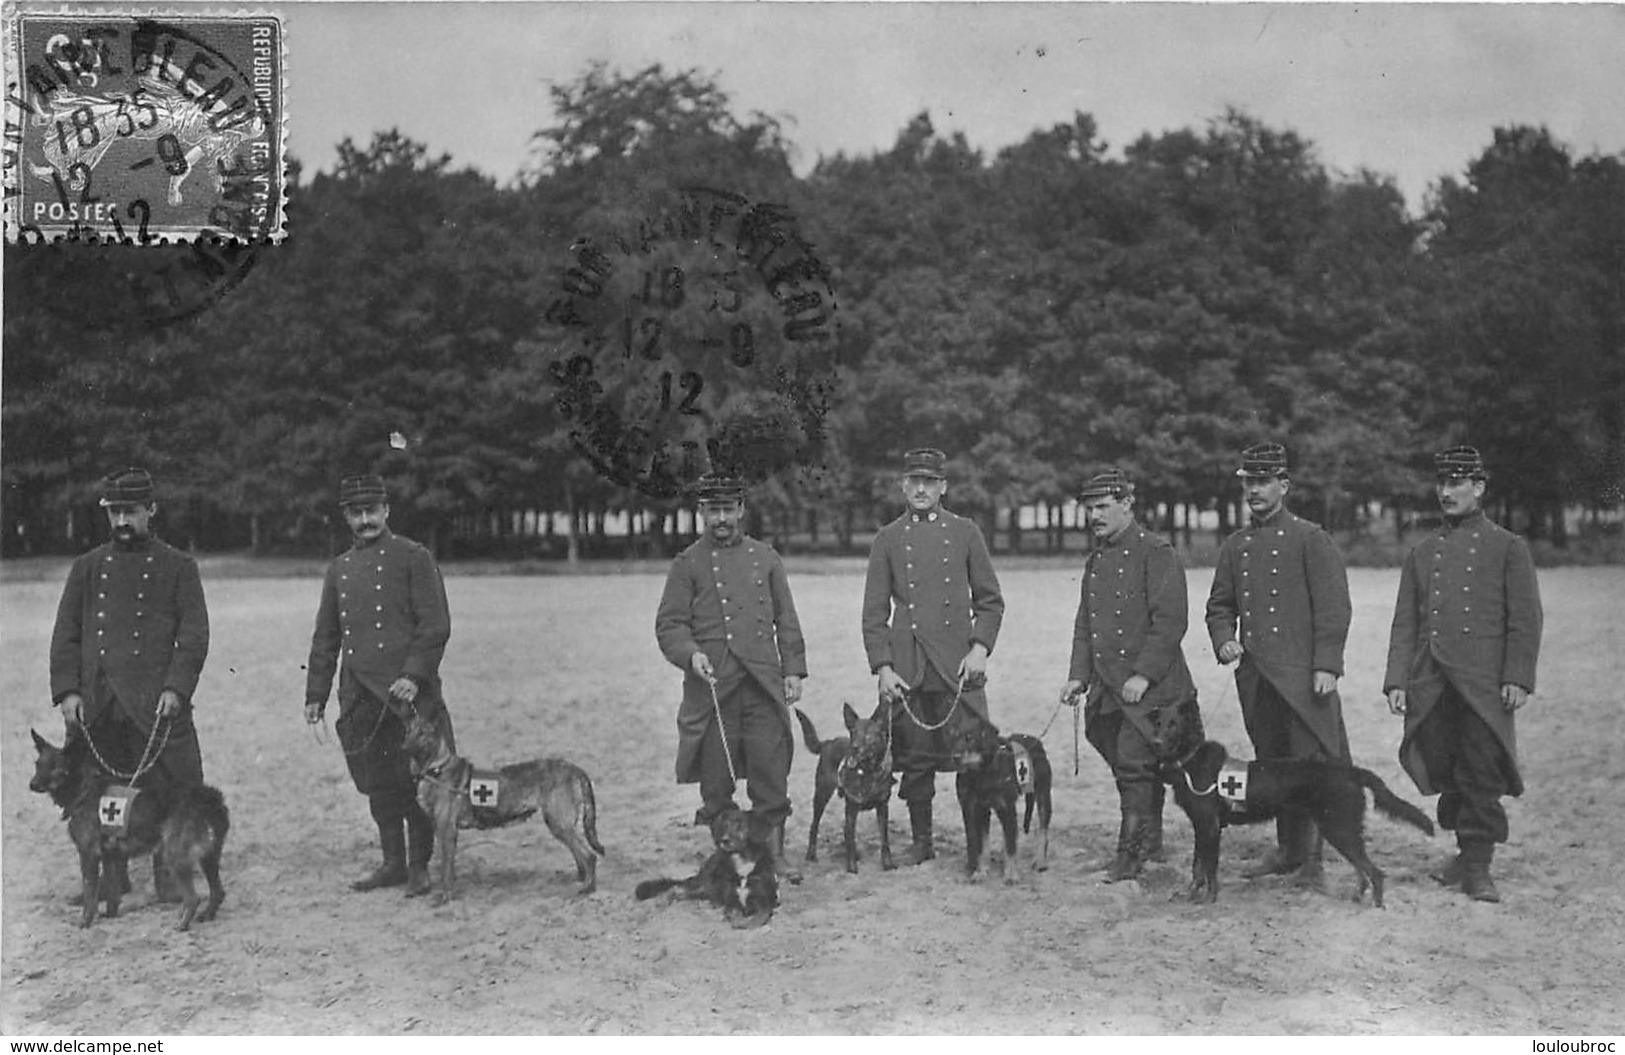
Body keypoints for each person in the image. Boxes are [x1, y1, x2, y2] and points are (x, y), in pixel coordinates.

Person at [1384, 445, 1542, 903]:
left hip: (1483, 682)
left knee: (1480, 771)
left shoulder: (1508, 547)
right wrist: (1397, 680)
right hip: (1432, 681)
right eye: (1442, 483)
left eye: (1457, 483)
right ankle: (1463, 854)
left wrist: (1517, 676)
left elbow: (1524, 620)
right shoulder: (1424, 551)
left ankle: (1477, 866)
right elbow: (1406, 622)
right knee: (1447, 767)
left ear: (1479, 487)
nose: (1447, 492)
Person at [50, 467, 210, 902]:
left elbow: (194, 635)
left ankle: (169, 875)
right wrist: (68, 692)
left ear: (150, 510)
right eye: (115, 512)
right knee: (102, 789)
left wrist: (176, 688)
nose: (122, 522)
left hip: (155, 703)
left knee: (169, 785)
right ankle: (111, 876)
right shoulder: (87, 568)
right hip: (100, 703)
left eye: (131, 512)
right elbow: (66, 633)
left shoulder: (179, 566)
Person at [1205, 442, 1353, 885]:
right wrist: (1225, 641)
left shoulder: (1311, 539)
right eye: (1249, 481)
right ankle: (1289, 849)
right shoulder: (1237, 545)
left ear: (1283, 486)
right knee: (1274, 766)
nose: (1254, 490)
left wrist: (1327, 665)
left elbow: (1333, 608)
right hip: (1259, 681)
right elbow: (1219, 606)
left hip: (1307, 680)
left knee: (1313, 767)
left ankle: (1315, 862)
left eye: (1263, 481)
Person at [305, 474, 456, 897]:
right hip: (360, 697)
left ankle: (419, 865)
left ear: (387, 510)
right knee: (377, 781)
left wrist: (413, 675)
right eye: (356, 512)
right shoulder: (339, 569)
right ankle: (391, 862)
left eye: (372, 510)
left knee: (418, 780)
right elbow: (326, 637)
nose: (366, 519)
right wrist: (315, 695)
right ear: (346, 517)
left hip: (409, 697)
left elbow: (435, 625)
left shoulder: (414, 557)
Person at [655, 475, 807, 882]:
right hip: (713, 689)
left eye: (728, 509)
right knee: (716, 781)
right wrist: (692, 655)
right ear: (702, 512)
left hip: (761, 684)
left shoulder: (766, 557)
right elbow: (670, 625)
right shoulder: (687, 564)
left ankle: (773, 855)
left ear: (741, 509)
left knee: (770, 771)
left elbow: (786, 620)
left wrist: (792, 670)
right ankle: (726, 858)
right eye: (713, 510)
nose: (721, 518)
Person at [861, 448, 1005, 865]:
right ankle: (922, 843)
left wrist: (979, 649)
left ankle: (976, 846)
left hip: (958, 666)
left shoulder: (965, 532)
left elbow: (991, 601)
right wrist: (883, 667)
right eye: (914, 481)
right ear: (903, 486)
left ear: (943, 487)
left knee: (973, 757)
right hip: (908, 668)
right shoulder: (887, 538)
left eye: (930, 481)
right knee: (915, 761)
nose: (921, 489)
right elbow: (874, 613)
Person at [1061, 469, 1199, 881]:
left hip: (1154, 692)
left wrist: (1142, 674)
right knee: (1126, 761)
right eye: (1089, 509)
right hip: (1109, 689)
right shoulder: (1097, 559)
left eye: (1103, 507)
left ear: (1127, 504)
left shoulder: (1156, 552)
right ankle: (1150, 840)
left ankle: (1131, 855)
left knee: (1136, 767)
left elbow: (1170, 621)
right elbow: (1086, 624)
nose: (1095, 517)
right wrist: (1077, 677)